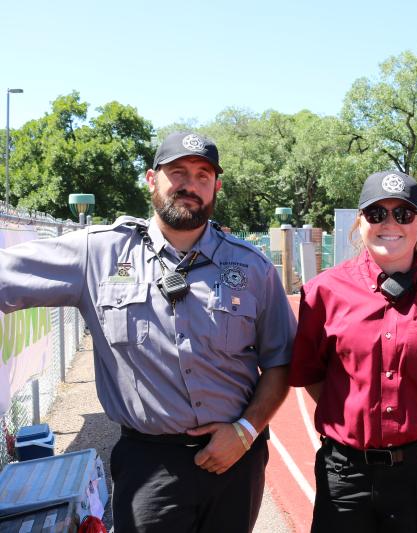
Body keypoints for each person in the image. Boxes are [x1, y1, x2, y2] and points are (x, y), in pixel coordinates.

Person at [0, 131, 297, 533]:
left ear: (216, 187)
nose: (190, 184)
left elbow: (280, 361)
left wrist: (246, 432)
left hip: (236, 460)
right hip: (148, 466)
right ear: (151, 178)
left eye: (203, 175)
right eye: (178, 172)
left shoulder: (252, 268)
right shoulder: (98, 252)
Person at [289, 170, 417, 532]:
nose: (390, 223)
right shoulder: (323, 292)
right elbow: (311, 375)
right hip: (344, 474)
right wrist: (353, 418)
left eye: (403, 214)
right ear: (360, 222)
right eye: (377, 214)